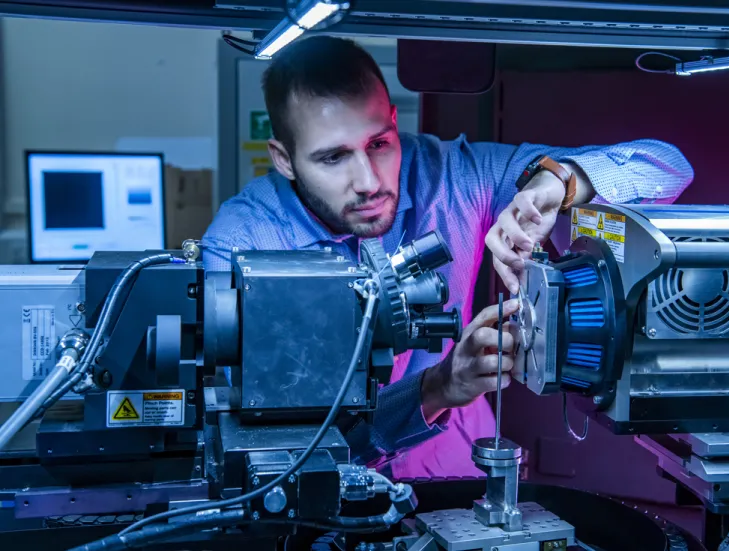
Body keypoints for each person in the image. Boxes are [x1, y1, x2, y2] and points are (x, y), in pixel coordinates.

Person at [202, 35, 694, 479]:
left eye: (379, 144)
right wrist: (435, 386)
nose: (369, 181)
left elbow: (667, 167)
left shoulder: (454, 176)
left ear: (395, 122)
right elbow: (265, 450)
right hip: (319, 493)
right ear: (283, 157)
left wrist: (557, 183)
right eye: (333, 157)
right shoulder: (241, 241)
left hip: (453, 481)